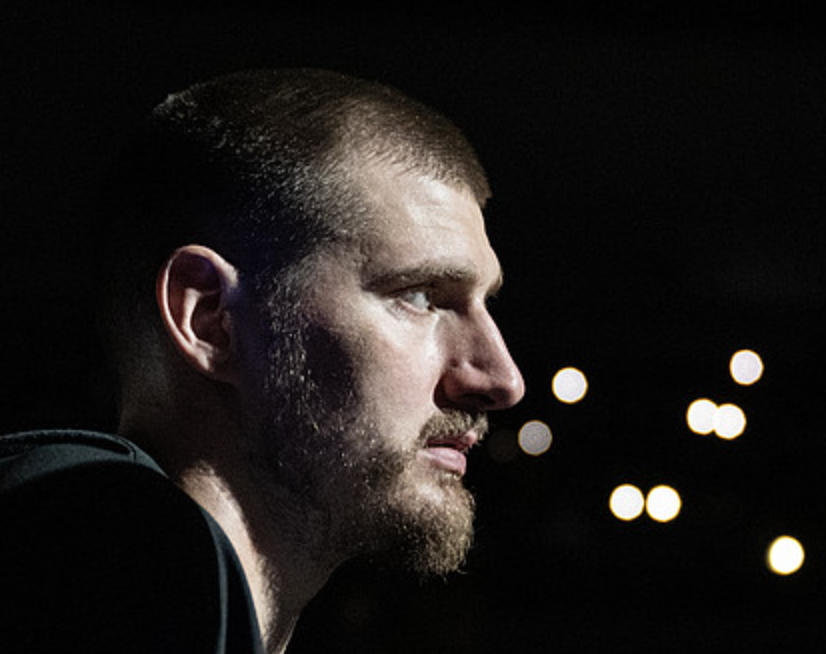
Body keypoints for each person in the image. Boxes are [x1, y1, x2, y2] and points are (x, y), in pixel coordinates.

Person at [0, 68, 525, 653]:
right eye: (421, 296)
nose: (503, 379)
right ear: (210, 319)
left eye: (486, 304)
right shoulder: (104, 550)